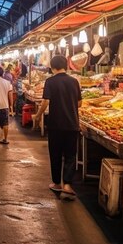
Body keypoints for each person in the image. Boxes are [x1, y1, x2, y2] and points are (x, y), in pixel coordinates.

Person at [33, 55, 82, 201]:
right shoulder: (74, 81)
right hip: (72, 124)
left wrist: (38, 115)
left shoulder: (50, 81)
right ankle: (67, 184)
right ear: (65, 66)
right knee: (70, 155)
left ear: (52, 67)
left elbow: (46, 101)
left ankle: (56, 183)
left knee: (55, 154)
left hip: (55, 124)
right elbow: (79, 104)